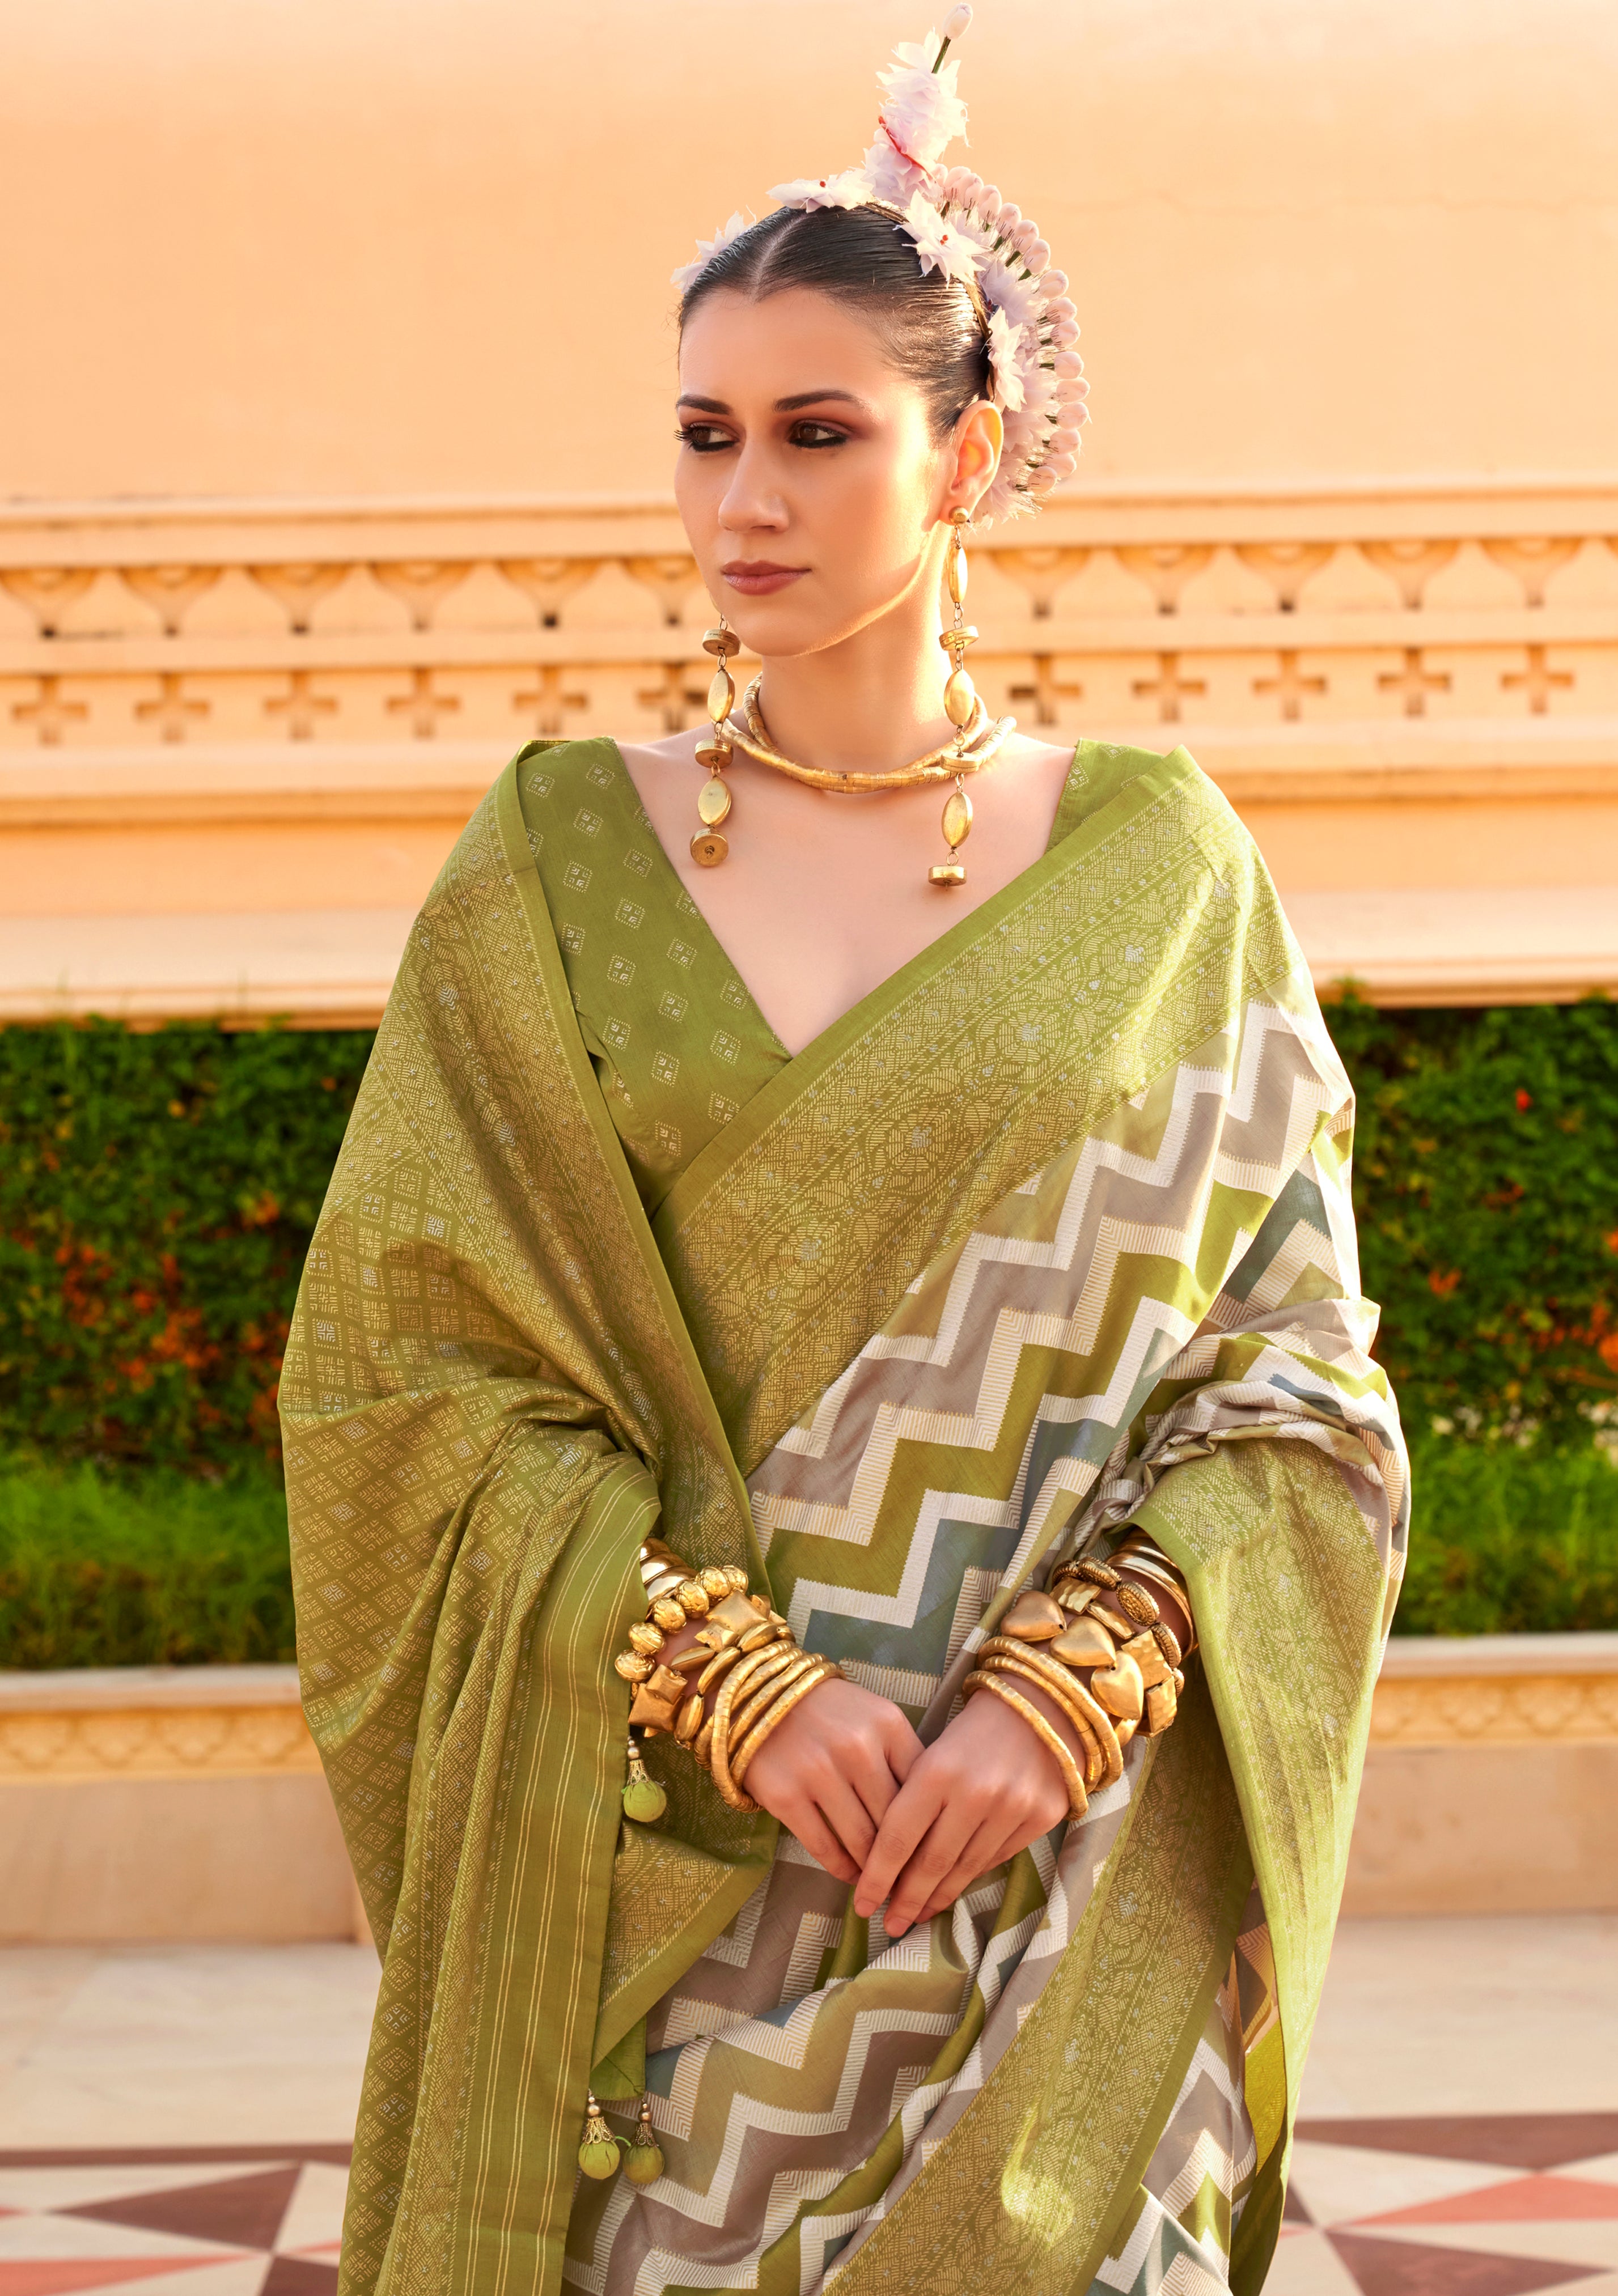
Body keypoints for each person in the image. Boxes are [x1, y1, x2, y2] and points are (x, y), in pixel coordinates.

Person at [282, 16, 1408, 2296]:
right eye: (705, 436)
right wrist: (731, 1675)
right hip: (663, 1890)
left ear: (969, 456)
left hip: (1040, 1869)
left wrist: (1075, 1674)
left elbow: (1300, 1373)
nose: (742, 508)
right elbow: (402, 1376)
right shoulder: (556, 866)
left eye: (817, 435)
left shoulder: (1160, 869)